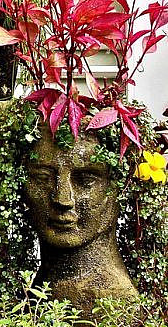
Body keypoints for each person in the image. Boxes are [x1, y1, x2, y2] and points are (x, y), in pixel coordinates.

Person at [25, 128, 138, 314]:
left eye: (85, 180)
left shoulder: (111, 303)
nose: (63, 199)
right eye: (43, 177)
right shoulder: (43, 285)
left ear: (121, 188)